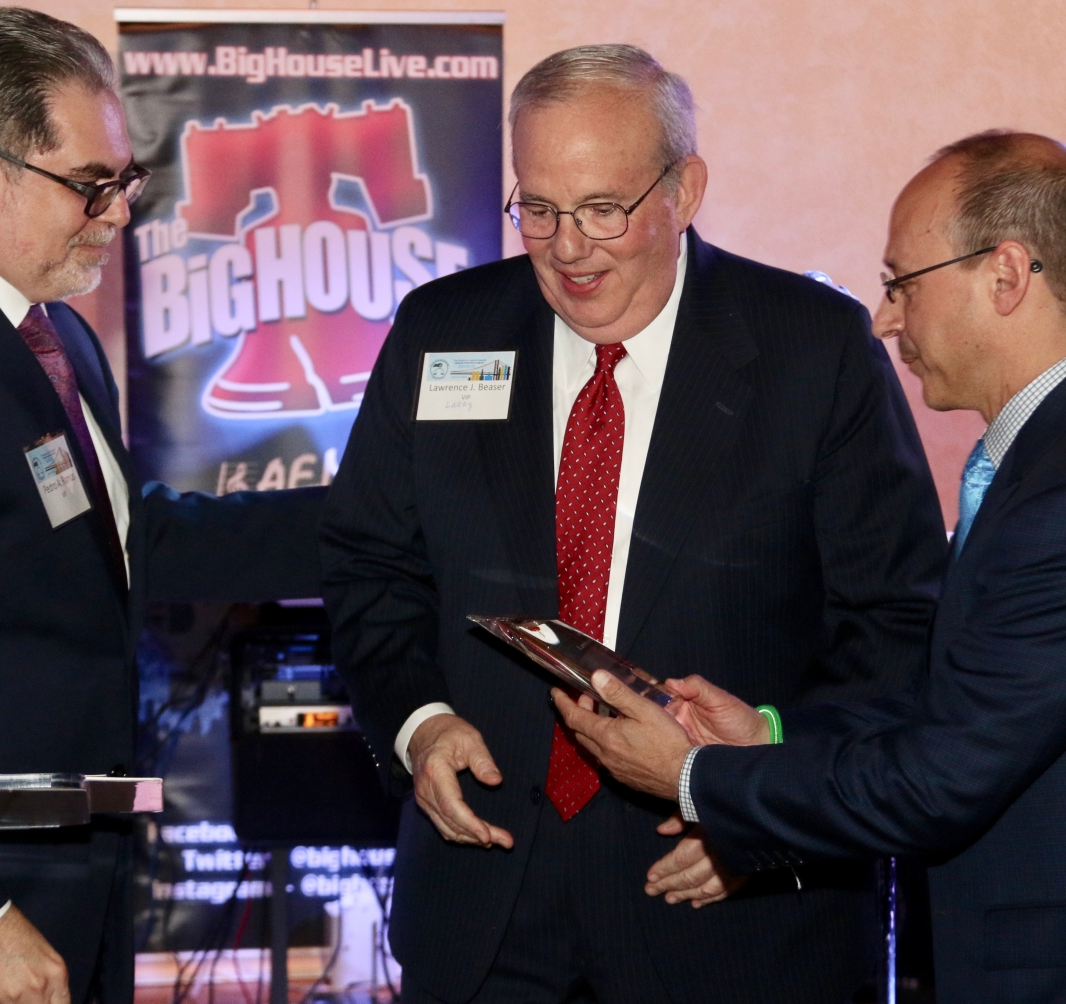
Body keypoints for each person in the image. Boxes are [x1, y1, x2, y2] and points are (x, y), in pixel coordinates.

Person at [320, 43, 946, 1004]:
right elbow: (371, 566)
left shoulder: (811, 352)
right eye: (537, 208)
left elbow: (897, 628)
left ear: (685, 190)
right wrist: (419, 722)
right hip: (486, 900)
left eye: (604, 208)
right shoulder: (442, 333)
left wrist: (756, 812)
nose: (568, 247)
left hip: (732, 913)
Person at [557, 131, 1066, 1004]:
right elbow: (956, 708)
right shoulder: (1052, 459)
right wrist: (771, 734)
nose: (887, 318)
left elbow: (942, 779)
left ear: (1006, 275)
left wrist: (696, 776)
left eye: (903, 284)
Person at [0, 9, 325, 1003]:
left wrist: (401, 508)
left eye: (124, 181)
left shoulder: (57, 336)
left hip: (76, 856)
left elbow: (141, 542)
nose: (118, 212)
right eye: (91, 184)